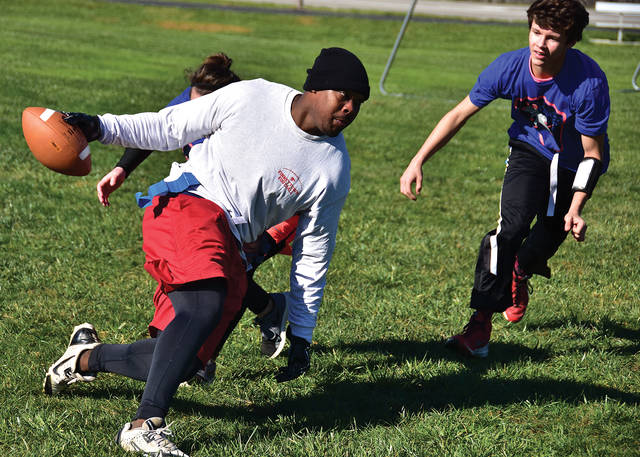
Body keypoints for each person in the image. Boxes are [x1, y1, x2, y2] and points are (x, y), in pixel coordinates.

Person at [44, 47, 370, 456]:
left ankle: (84, 358)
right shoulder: (253, 97)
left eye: (359, 102)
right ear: (316, 87)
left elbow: (314, 252)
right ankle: (144, 425)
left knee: (188, 363)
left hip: (230, 243)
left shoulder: (333, 169)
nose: (351, 108)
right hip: (188, 204)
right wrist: (97, 126)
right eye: (344, 95)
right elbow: (168, 126)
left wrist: (302, 334)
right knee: (203, 306)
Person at [400, 0, 609, 358]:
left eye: (553, 37)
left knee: (545, 237)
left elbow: (593, 154)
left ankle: (521, 270)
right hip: (530, 152)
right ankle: (479, 325)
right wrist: (418, 159)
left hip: (574, 162)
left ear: (571, 41)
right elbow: (459, 114)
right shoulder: (509, 67)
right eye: (536, 32)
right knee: (508, 232)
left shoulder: (589, 82)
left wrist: (575, 207)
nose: (540, 44)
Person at [97, 52, 298, 371]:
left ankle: (207, 356)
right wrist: (122, 169)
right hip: (218, 208)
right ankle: (269, 309)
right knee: (214, 271)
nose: (191, 113)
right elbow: (162, 127)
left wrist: (258, 234)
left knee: (234, 274)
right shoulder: (195, 100)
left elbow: (267, 189)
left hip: (276, 212)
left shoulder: (246, 119)